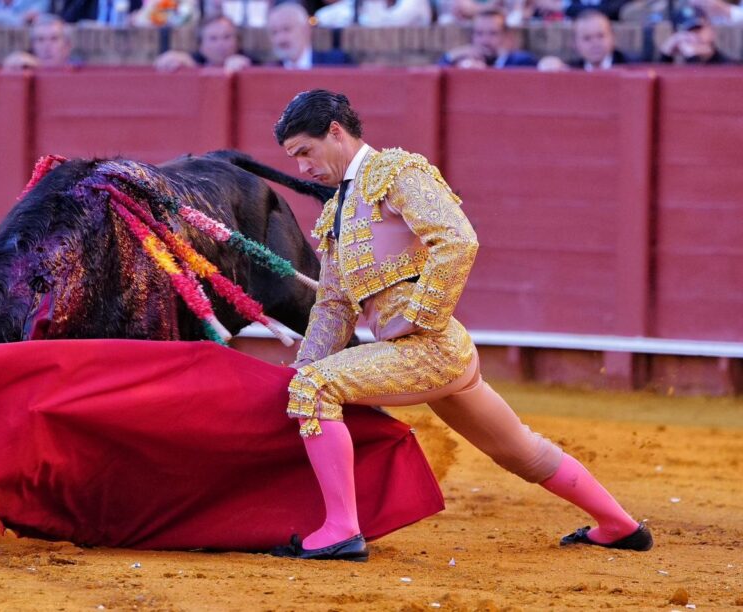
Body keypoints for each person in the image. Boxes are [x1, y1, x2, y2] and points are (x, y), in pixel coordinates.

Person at [268, 89, 653, 561]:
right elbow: (333, 304)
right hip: (431, 356)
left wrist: (420, 318)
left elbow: (457, 240)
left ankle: (342, 529)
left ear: (335, 132)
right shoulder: (337, 211)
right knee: (520, 450)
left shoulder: (396, 172)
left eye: (305, 152)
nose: (302, 167)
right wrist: (304, 363)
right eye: (295, 158)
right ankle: (619, 525)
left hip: (428, 347)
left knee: (317, 388)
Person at [537, 10, 637, 71]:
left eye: (601, 36)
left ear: (613, 37)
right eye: (587, 38)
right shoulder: (572, 70)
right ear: (575, 43)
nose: (595, 43)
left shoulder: (632, 66)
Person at [266, 2, 351, 69]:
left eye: (287, 29)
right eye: (274, 32)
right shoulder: (269, 70)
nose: (280, 38)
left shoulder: (336, 63)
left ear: (306, 29)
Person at [440, 10, 536, 68]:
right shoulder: (464, 62)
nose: (485, 40)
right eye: (479, 33)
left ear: (506, 36)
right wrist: (453, 55)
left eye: (493, 33)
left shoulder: (521, 61)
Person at [154, 15, 252, 73]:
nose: (221, 44)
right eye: (213, 38)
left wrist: (247, 69)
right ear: (200, 45)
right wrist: (170, 59)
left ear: (238, 41)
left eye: (227, 37)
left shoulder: (251, 62)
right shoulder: (190, 61)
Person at [659, 11, 737, 64]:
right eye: (688, 32)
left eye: (698, 30)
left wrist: (692, 55)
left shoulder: (728, 64)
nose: (693, 37)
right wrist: (666, 54)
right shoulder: (684, 64)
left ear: (711, 31)